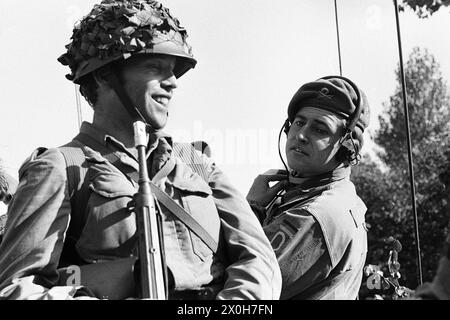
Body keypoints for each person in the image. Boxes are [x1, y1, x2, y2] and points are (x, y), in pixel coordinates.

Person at [0, 0, 281, 300]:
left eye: (172, 71)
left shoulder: (195, 164)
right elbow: (17, 288)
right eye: (154, 68)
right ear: (104, 75)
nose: (172, 83)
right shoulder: (61, 167)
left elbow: (259, 260)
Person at [247, 75, 370, 299]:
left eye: (320, 129)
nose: (301, 135)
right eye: (299, 122)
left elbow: (243, 289)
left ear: (348, 148)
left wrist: (250, 210)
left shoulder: (313, 216)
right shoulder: (334, 195)